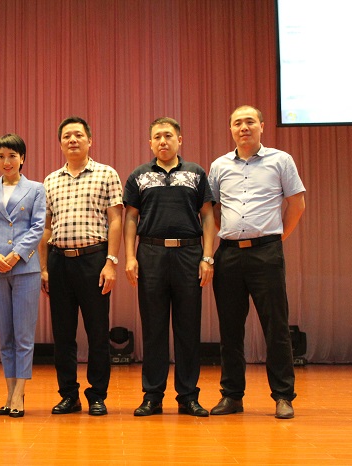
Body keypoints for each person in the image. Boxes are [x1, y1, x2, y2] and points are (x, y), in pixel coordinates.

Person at [208, 105, 306, 419]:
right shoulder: (219, 165)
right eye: (237, 123)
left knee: (276, 326)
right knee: (230, 329)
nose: (244, 127)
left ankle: (283, 396)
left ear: (262, 126)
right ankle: (232, 396)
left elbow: (297, 204)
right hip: (229, 254)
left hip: (267, 253)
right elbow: (212, 211)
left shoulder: (281, 160)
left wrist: (277, 238)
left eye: (250, 121)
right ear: (231, 129)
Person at [123, 117, 216, 417]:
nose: (163, 141)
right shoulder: (139, 175)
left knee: (188, 328)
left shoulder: (196, 173)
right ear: (150, 143)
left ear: (179, 140)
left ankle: (188, 396)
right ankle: (152, 396)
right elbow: (130, 218)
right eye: (157, 137)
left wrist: (208, 257)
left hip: (189, 254)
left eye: (168, 136)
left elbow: (208, 216)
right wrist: (130, 257)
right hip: (150, 253)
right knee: (154, 328)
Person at [39, 116, 123, 416]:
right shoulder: (50, 180)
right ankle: (69, 395)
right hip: (59, 261)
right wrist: (44, 268)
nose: (72, 140)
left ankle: (97, 395)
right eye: (66, 136)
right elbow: (46, 228)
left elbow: (116, 220)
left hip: (93, 261)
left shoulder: (106, 174)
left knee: (97, 333)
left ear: (90, 140)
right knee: (63, 335)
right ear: (60, 143)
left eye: (78, 135)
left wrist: (111, 262)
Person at [0, 134, 46, 418]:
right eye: (1, 156)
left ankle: (20, 393)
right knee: (5, 335)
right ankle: (9, 392)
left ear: (22, 158)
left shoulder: (36, 189)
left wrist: (16, 254)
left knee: (23, 336)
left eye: (12, 156)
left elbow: (38, 226)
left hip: (25, 268)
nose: (6, 162)